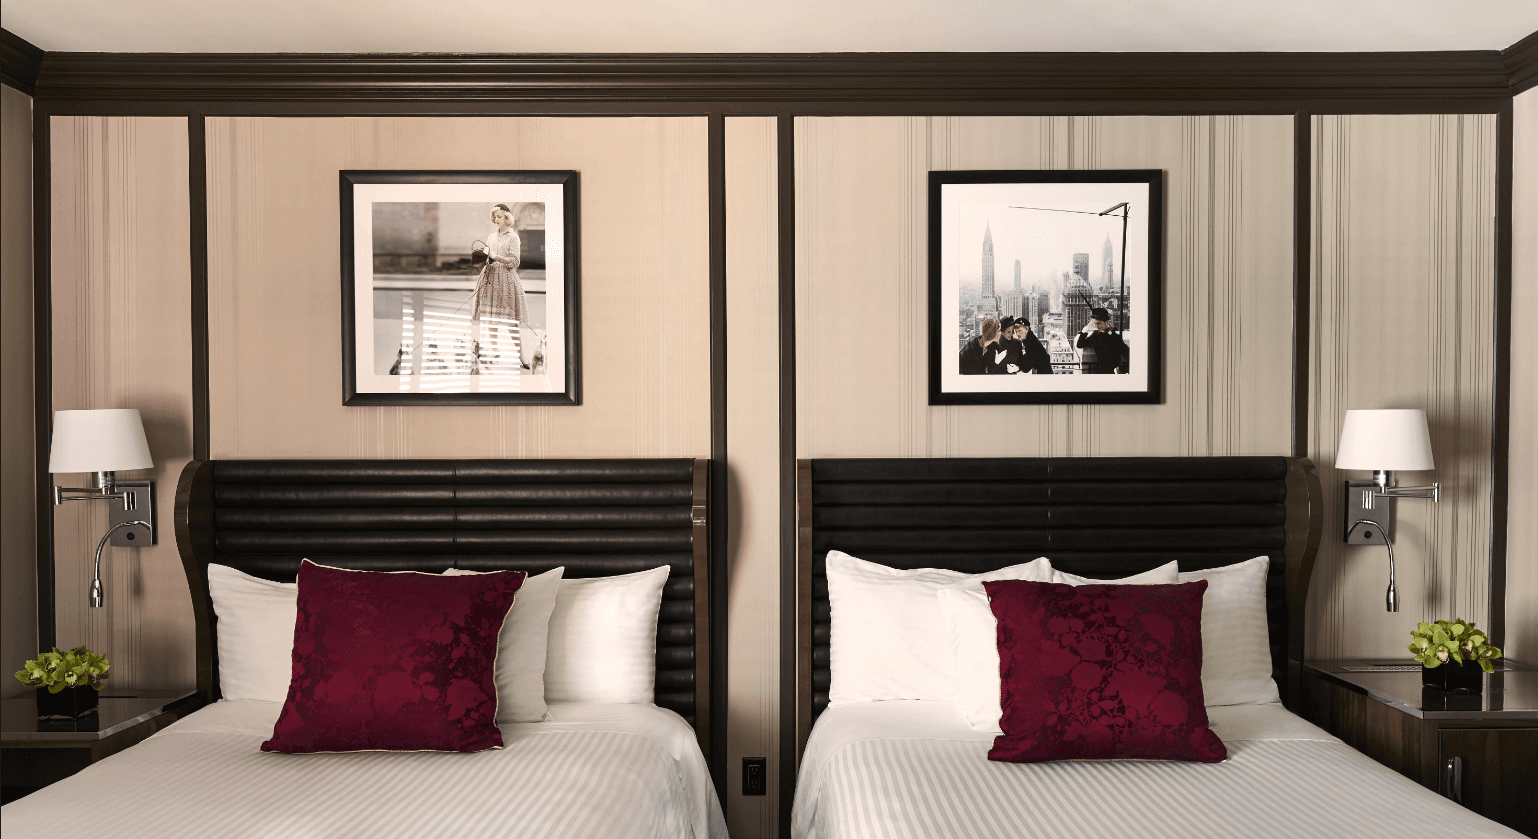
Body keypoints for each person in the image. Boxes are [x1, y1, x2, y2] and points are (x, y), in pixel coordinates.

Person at [471, 203, 535, 370]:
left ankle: (521, 354)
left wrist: (495, 256)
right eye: (495, 217)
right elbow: (488, 257)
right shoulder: (492, 236)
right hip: (491, 277)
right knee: (491, 319)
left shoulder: (513, 237)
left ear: (507, 217)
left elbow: (515, 262)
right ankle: (494, 351)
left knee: (511, 321)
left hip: (506, 280)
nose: (496, 219)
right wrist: (483, 257)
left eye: (499, 216)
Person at [1076, 306, 1127, 374]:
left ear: (1106, 322)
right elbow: (1080, 344)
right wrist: (1085, 330)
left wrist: (1121, 369)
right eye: (1095, 324)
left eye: (1099, 323)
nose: (1097, 326)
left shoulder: (1115, 337)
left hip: (1112, 374)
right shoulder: (1096, 335)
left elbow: (1129, 355)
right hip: (1100, 373)